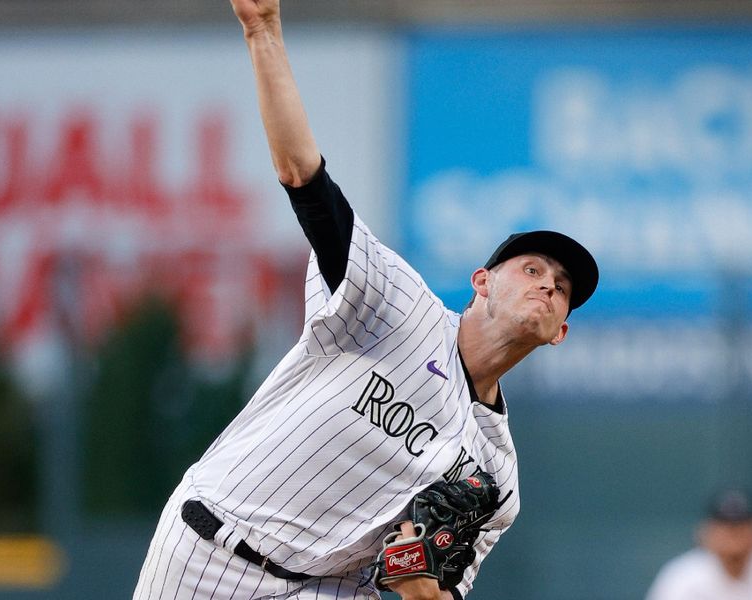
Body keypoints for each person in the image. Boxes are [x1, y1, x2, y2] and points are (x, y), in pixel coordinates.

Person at [133, 1, 599, 599]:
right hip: (208, 548)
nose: (547, 286)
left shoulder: (495, 475)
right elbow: (304, 175)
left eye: (562, 290)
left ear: (559, 331)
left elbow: (436, 597)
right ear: (481, 281)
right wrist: (263, 32)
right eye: (532, 268)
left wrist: (418, 578)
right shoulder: (394, 302)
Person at [645, 489, 752, 600]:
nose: (733, 535)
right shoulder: (682, 576)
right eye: (725, 527)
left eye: (741, 527)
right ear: (705, 533)